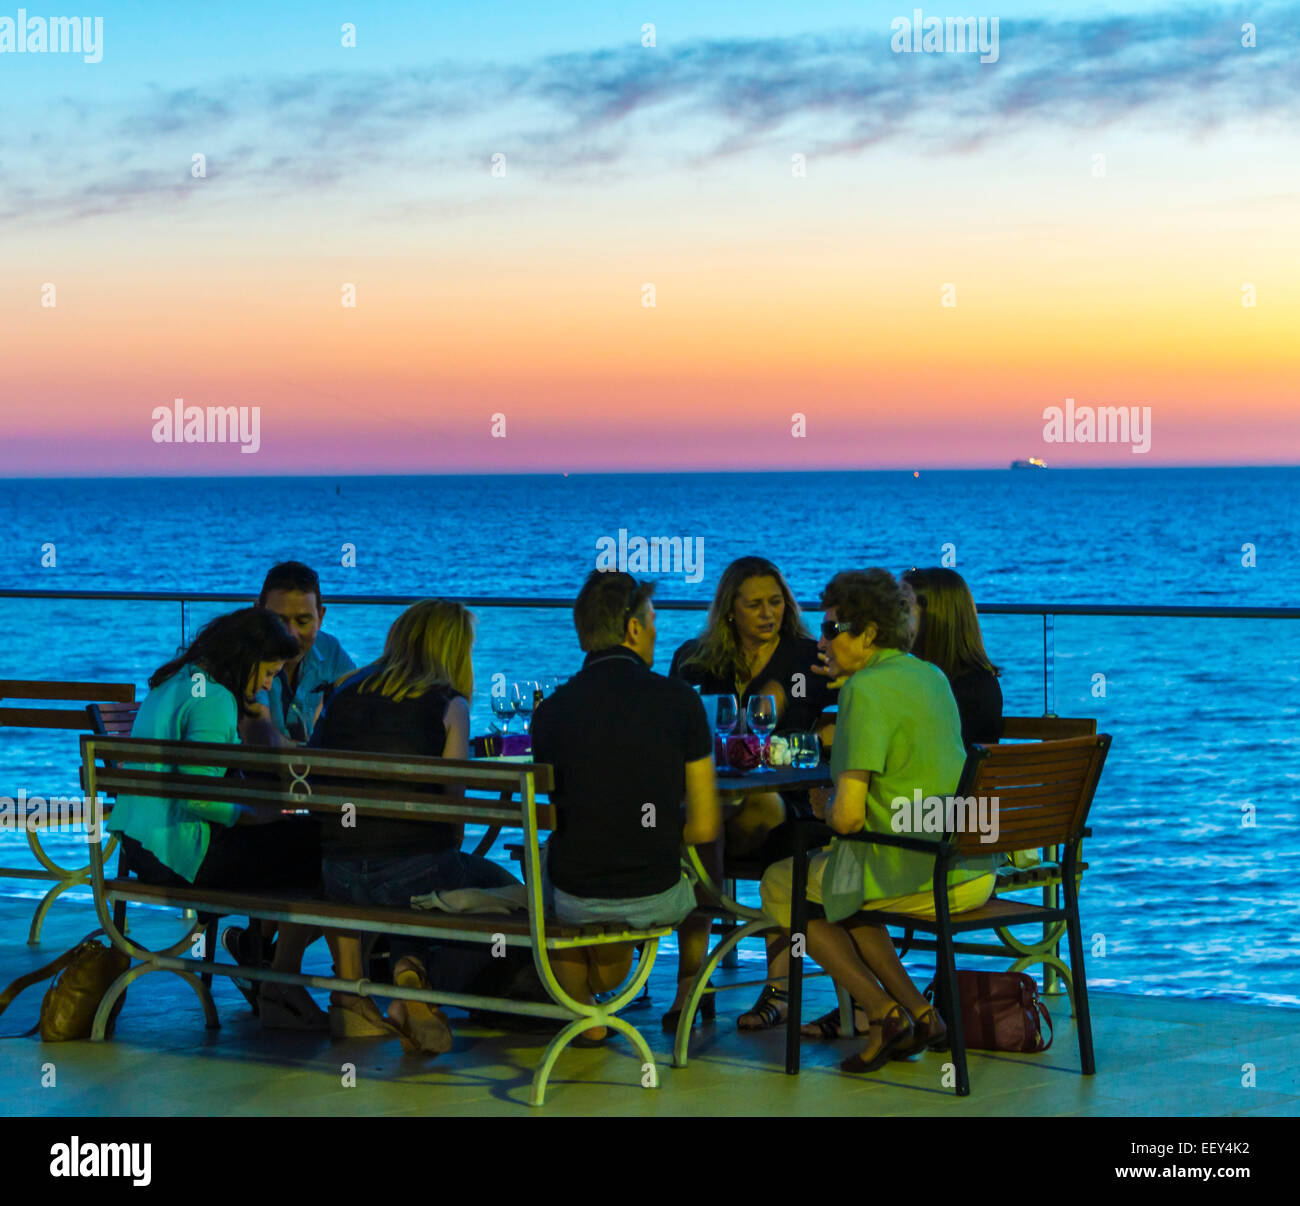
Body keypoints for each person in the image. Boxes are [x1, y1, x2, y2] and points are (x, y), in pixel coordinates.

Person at [756, 569, 1001, 1069]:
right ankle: (920, 1014)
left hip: (918, 872)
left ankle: (881, 1010)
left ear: (868, 633)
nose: (820, 641)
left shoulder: (864, 691)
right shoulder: (929, 674)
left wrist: (824, 805)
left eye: (831, 630)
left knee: (781, 882)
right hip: (971, 869)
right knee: (846, 885)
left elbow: (845, 820)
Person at [107, 608, 337, 1030]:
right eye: (268, 673)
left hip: (141, 846)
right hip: (182, 855)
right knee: (329, 847)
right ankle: (286, 980)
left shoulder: (175, 681)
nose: (268, 684)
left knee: (303, 839)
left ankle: (266, 963)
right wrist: (257, 814)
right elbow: (201, 800)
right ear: (246, 658)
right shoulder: (213, 697)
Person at [309, 599, 521, 1053]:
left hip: (337, 872)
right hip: (414, 874)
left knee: (416, 875)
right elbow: (453, 816)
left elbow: (315, 785)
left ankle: (386, 989)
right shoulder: (449, 703)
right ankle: (412, 978)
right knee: (496, 889)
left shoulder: (342, 694)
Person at [530, 570, 722, 1042]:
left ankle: (588, 1011)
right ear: (633, 628)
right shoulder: (678, 701)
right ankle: (690, 979)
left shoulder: (550, 712)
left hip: (573, 897)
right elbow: (703, 827)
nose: (657, 629)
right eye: (652, 618)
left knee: (554, 867)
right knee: (703, 853)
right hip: (655, 894)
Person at [668, 556, 836, 1031]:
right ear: (729, 611)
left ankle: (773, 989)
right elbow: (673, 728)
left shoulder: (808, 656)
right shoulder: (695, 660)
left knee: (711, 822)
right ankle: (690, 978)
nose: (769, 613)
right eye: (755, 604)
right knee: (700, 818)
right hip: (717, 806)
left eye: (776, 602)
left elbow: (836, 728)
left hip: (791, 804)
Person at [256, 560, 356, 742]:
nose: (291, 634)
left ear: (321, 617)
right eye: (279, 621)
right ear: (257, 614)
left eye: (302, 622)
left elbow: (359, 709)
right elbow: (260, 734)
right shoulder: (245, 654)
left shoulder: (330, 651)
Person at [903, 567, 1003, 746]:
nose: (892, 616)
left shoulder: (959, 689)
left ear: (933, 617)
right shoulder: (980, 682)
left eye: (904, 606)